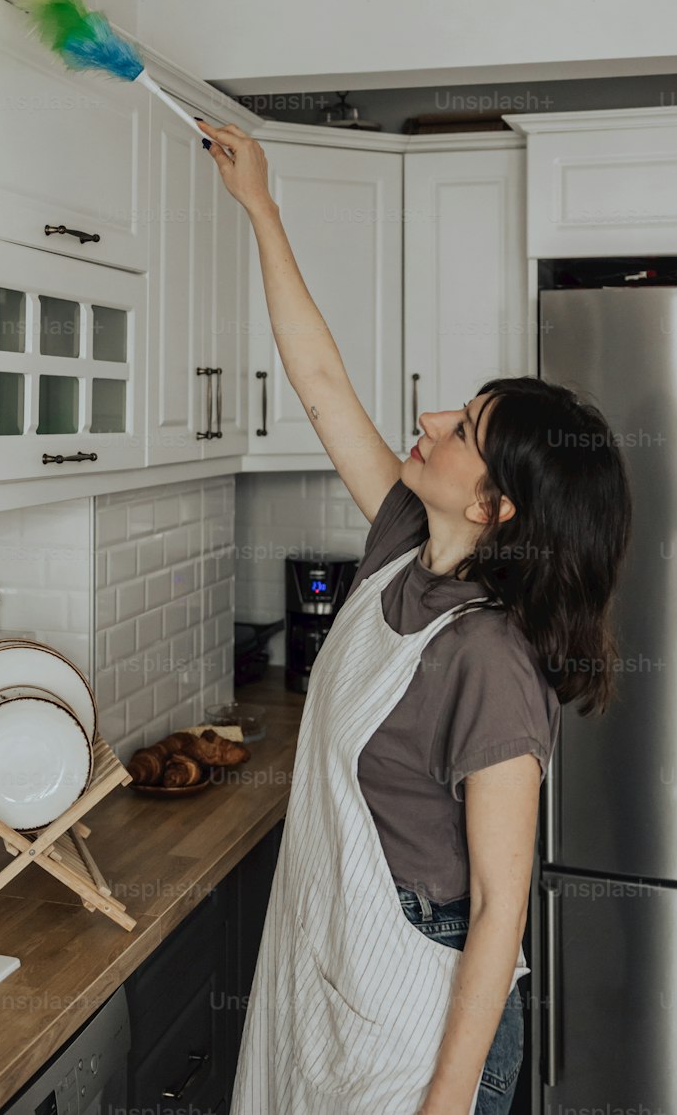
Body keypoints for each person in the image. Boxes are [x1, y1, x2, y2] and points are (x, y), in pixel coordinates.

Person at [198, 119, 633, 1115]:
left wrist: (444, 1101)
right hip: (338, 966)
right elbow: (318, 385)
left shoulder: (487, 660)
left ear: (491, 509)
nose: (430, 418)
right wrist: (260, 207)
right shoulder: (402, 539)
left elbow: (496, 907)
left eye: (463, 429)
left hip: (424, 1011)